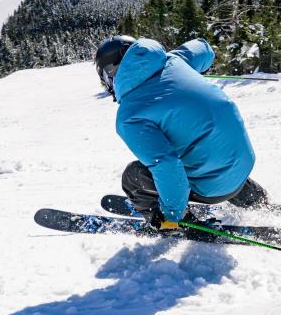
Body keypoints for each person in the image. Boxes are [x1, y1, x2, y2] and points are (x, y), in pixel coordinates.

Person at [95, 35, 268, 235]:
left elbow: (166, 164)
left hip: (212, 187)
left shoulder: (129, 116)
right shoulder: (174, 60)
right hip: (242, 163)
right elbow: (203, 49)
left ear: (110, 74)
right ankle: (257, 200)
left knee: (133, 177)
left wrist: (172, 214)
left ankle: (176, 223)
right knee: (207, 144)